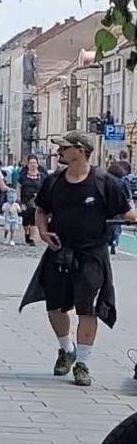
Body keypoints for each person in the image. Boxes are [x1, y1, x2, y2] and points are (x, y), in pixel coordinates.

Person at [23, 131, 134, 387]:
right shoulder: (53, 181)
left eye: (65, 147)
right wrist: (42, 230)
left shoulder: (104, 182)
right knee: (54, 307)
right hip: (60, 251)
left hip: (92, 253)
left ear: (81, 150)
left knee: (87, 307)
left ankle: (82, 363)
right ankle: (66, 349)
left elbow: (128, 213)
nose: (60, 151)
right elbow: (41, 210)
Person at [17, 155, 45, 246]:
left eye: (35, 163)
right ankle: (27, 233)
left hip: (37, 201)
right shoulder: (23, 175)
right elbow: (19, 186)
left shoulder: (42, 176)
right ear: (28, 165)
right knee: (25, 219)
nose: (33, 165)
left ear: (37, 164)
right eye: (31, 163)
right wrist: (18, 199)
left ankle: (32, 239)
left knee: (34, 219)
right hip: (25, 200)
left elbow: (46, 187)